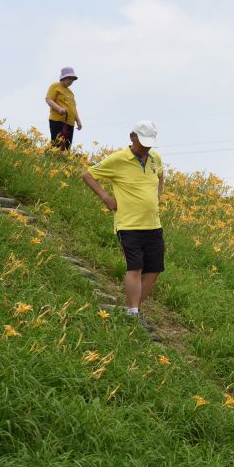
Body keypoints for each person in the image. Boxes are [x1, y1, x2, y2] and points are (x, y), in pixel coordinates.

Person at [82, 121, 164, 329]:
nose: (146, 147)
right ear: (132, 137)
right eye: (142, 142)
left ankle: (134, 310)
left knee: (154, 269)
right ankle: (133, 311)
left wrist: (157, 197)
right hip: (129, 225)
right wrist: (106, 198)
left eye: (149, 144)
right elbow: (88, 175)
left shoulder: (155, 158)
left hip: (153, 224)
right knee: (135, 267)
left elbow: (161, 175)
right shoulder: (118, 159)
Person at [45, 67, 83, 151]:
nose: (71, 81)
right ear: (63, 77)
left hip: (70, 123)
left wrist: (78, 120)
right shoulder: (55, 86)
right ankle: (53, 161)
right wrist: (59, 108)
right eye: (69, 78)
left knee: (66, 146)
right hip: (57, 120)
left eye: (72, 80)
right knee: (57, 144)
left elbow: (73, 108)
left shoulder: (70, 92)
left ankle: (63, 162)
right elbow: (48, 99)